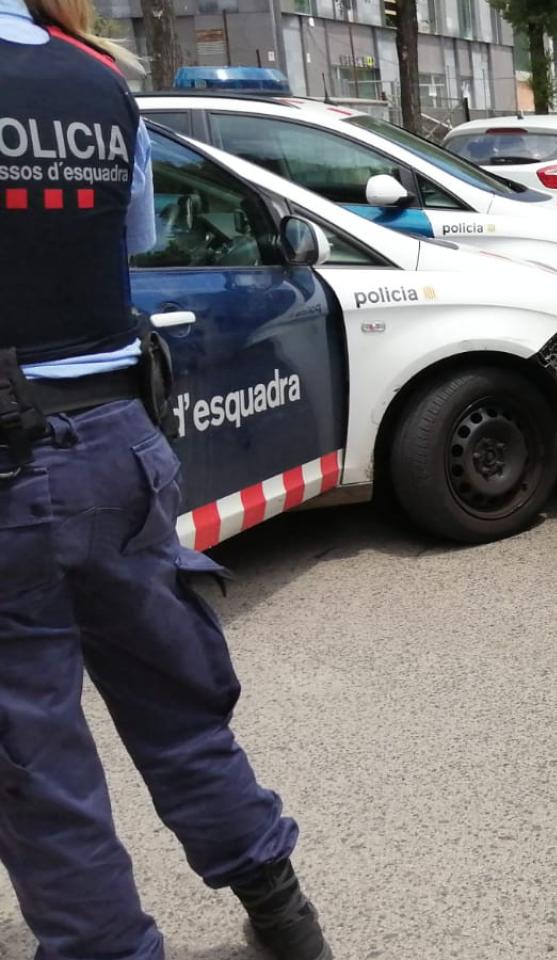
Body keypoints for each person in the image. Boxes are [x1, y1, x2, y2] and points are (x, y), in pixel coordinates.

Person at [0, 0, 332, 958]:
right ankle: (283, 912)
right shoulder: (97, 79)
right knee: (173, 700)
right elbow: (129, 237)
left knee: (38, 764)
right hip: (115, 442)